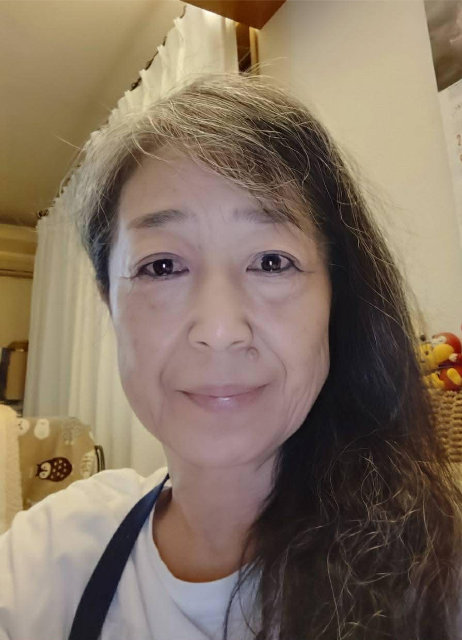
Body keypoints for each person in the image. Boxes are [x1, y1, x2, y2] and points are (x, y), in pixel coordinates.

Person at [1, 71, 461, 640]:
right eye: (162, 266)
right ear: (108, 302)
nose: (220, 330)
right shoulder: (46, 559)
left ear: (336, 297)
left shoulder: (440, 573)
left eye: (271, 262)